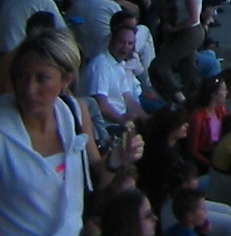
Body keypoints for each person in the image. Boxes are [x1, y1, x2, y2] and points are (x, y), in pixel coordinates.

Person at [0, 28, 143, 236]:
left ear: (65, 80)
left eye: (42, 78)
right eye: (22, 77)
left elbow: (97, 178)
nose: (29, 89)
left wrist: (117, 159)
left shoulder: (74, 112)